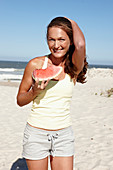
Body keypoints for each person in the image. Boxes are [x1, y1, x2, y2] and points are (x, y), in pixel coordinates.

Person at [17, 16, 88, 170]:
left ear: (70, 41)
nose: (56, 45)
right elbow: (20, 100)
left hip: (63, 135)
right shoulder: (35, 64)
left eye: (62, 39)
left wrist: (72, 22)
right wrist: (34, 92)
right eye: (51, 40)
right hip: (36, 133)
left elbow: (81, 45)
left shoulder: (74, 67)